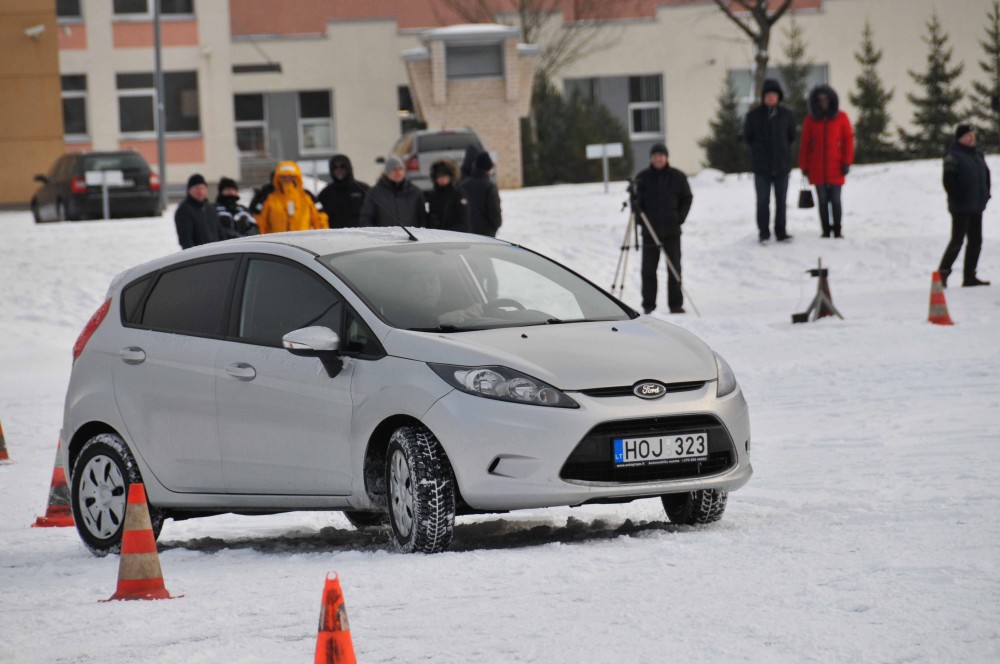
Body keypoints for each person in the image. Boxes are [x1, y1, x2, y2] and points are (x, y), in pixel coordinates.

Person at [632, 143, 693, 314]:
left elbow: (687, 198)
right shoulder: (642, 178)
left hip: (671, 232)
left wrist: (679, 218)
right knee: (648, 270)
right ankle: (648, 305)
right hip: (649, 232)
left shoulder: (678, 177)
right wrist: (641, 221)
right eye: (655, 155)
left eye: (661, 155)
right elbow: (636, 203)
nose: (658, 158)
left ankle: (675, 304)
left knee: (674, 269)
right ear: (651, 158)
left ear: (666, 157)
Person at [744, 78, 797, 243]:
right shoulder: (753, 116)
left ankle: (781, 231)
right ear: (763, 97)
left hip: (782, 167)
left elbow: (791, 137)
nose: (771, 98)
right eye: (768, 95)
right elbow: (748, 138)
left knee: (781, 202)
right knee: (762, 202)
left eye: (774, 95)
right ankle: (764, 232)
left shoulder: (787, 115)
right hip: (762, 168)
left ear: (779, 96)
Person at [939, 124, 991, 288]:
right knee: (957, 240)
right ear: (960, 138)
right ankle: (943, 274)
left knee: (976, 241)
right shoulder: (953, 155)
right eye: (968, 135)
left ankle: (970, 276)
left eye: (972, 134)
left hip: (976, 204)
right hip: (961, 206)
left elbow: (985, 175)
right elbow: (948, 181)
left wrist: (986, 195)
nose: (971, 137)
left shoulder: (977, 154)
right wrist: (958, 197)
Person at [799, 84, 855, 238]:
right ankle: (825, 230)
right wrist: (804, 166)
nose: (823, 102)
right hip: (816, 167)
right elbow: (805, 143)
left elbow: (848, 140)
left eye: (825, 99)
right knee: (822, 200)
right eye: (820, 100)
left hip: (836, 166)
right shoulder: (810, 120)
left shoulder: (841, 117)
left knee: (835, 200)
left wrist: (846, 162)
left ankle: (837, 230)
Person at [254, 161, 328, 234]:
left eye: (291, 177)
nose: (287, 180)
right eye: (283, 177)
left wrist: (322, 238)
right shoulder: (269, 198)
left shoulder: (307, 197)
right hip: (277, 243)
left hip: (302, 242)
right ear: (277, 178)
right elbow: (260, 223)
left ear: (297, 178)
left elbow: (320, 220)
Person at [359, 155, 427, 227]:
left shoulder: (415, 192)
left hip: (410, 237)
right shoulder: (374, 193)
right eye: (394, 169)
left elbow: (422, 219)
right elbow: (366, 219)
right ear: (387, 172)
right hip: (384, 237)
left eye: (400, 169)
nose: (398, 172)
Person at [317, 154, 370, 228]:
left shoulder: (363, 189)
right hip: (334, 236)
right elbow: (319, 217)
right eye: (335, 167)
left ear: (348, 168)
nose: (339, 170)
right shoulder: (325, 193)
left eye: (342, 167)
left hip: (360, 235)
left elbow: (373, 214)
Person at [460, 151, 502, 238]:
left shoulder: (463, 185)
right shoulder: (489, 186)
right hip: (486, 232)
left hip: (465, 232)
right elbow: (494, 211)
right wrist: (496, 225)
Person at [174, 173, 221, 249]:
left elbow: (220, 233)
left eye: (202, 188)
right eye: (197, 188)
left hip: (216, 254)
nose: (200, 191)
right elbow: (186, 240)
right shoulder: (184, 210)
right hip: (198, 257)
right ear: (189, 190)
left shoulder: (211, 209)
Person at [426, 160, 469, 232]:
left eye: (444, 176)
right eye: (439, 176)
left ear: (450, 177)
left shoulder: (458, 195)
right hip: (437, 236)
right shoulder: (433, 196)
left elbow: (463, 220)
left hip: (456, 235)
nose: (442, 179)